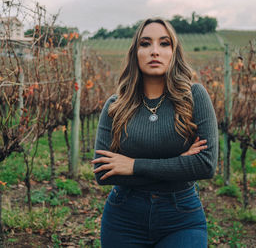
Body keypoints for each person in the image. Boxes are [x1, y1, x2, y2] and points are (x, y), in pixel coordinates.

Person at [92, 17, 218, 248]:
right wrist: (179, 164)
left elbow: (206, 164)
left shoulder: (194, 96)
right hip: (123, 218)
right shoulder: (115, 106)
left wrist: (133, 166)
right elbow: (102, 173)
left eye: (164, 43)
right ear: (135, 53)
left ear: (174, 52)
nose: (154, 51)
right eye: (145, 43)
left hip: (181, 217)